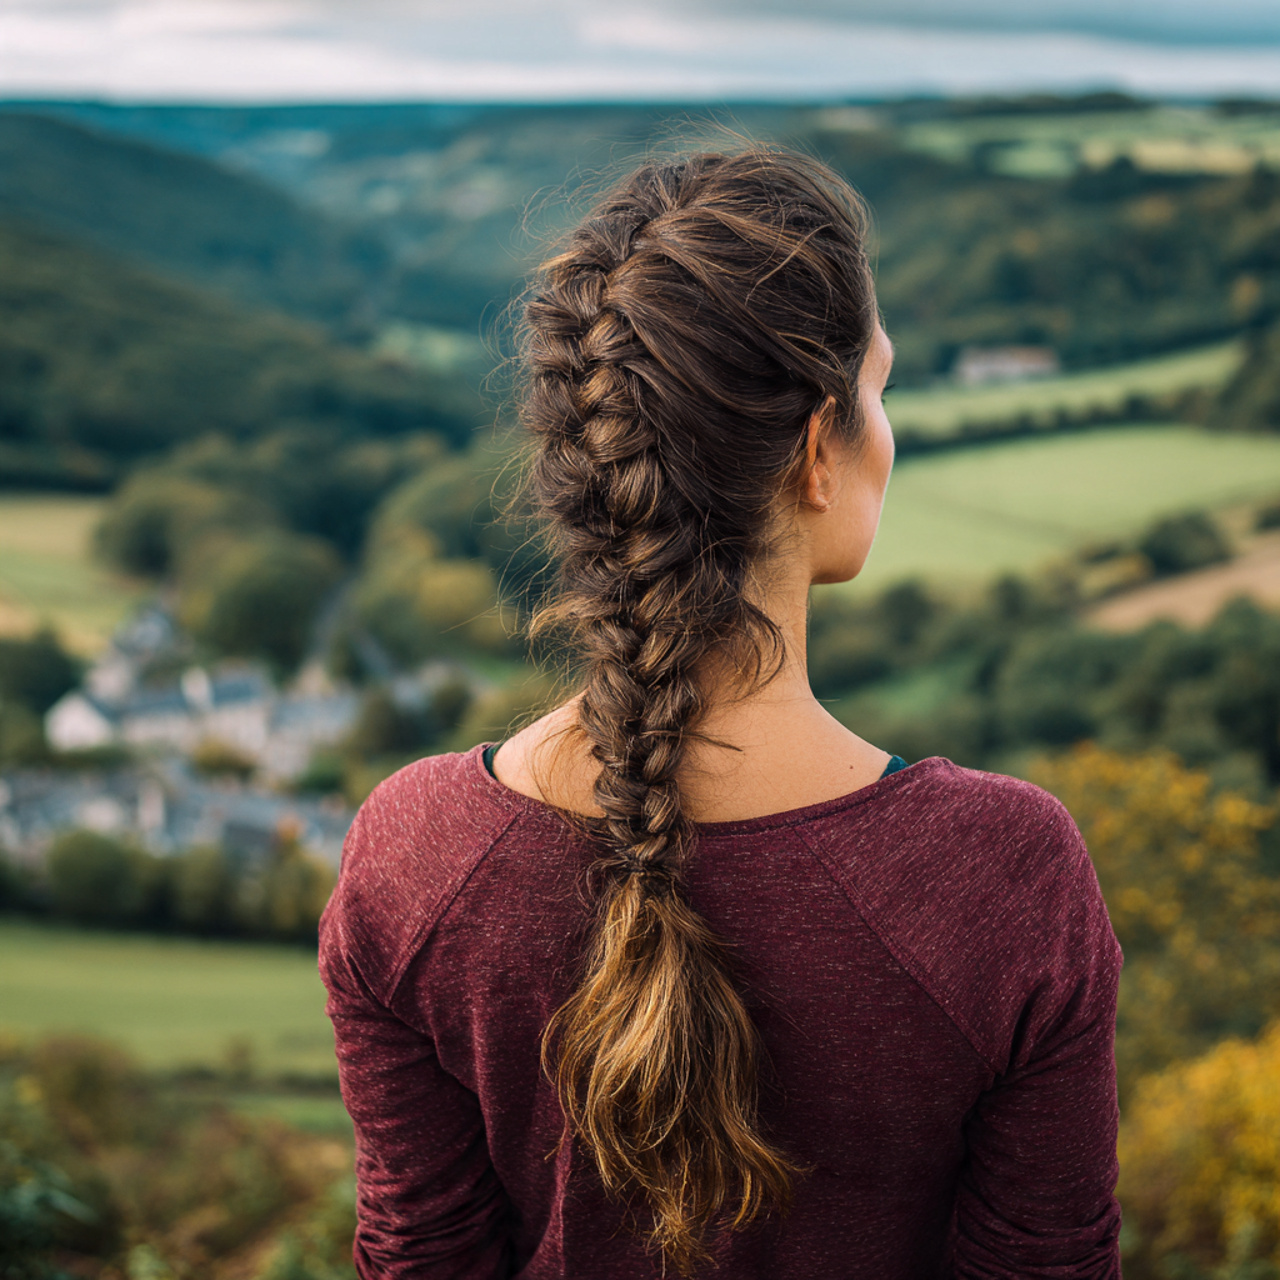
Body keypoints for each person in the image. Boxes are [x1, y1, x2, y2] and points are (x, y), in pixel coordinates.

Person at [318, 147, 1123, 1279]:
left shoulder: (413, 853)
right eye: (876, 388)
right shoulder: (1002, 873)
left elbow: (419, 1260)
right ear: (812, 450)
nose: (886, 428)